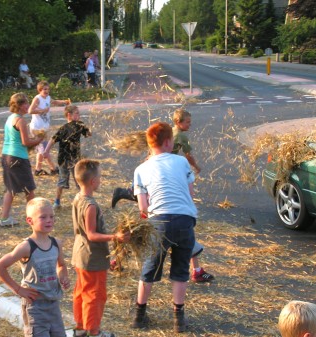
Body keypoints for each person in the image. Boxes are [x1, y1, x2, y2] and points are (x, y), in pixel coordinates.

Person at [131, 122, 197, 332]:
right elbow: (190, 193)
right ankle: (179, 319)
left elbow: (143, 206)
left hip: (159, 221)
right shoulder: (181, 161)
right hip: (185, 219)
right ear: (169, 142)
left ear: (149, 144)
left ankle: (139, 316)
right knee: (180, 269)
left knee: (149, 268)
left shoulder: (141, 169)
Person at [0, 197, 70, 337]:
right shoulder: (26, 247)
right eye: (43, 217)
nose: (49, 220)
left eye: (52, 216)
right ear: (30, 221)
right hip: (35, 306)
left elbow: (61, 265)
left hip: (53, 304)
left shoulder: (56, 243)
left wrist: (63, 276)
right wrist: (18, 289)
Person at [71, 159, 130, 337]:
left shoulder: (78, 197)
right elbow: (91, 235)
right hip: (92, 256)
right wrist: (115, 237)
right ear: (93, 182)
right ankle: (94, 332)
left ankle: (81, 328)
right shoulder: (90, 205)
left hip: (79, 252)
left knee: (81, 291)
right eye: (100, 177)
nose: (101, 180)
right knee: (94, 295)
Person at [110, 185, 214, 283]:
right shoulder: (154, 174)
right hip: (162, 212)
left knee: (136, 235)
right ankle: (197, 271)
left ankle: (116, 261)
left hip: (162, 210)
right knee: (135, 235)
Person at [0, 93, 44, 227]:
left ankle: (5, 218)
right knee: (29, 190)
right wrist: (39, 139)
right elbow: (25, 142)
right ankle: (35, 218)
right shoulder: (21, 121)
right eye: (25, 104)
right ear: (19, 105)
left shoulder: (10, 118)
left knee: (11, 189)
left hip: (6, 155)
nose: (28, 106)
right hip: (18, 157)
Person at [43, 105, 91, 209]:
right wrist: (46, 151)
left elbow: (88, 134)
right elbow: (53, 139)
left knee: (79, 179)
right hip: (65, 159)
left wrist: (87, 128)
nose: (79, 115)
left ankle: (83, 200)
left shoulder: (79, 125)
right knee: (64, 180)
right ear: (69, 115)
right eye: (77, 113)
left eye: (79, 113)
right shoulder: (64, 128)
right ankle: (57, 201)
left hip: (74, 159)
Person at [28, 80, 70, 176]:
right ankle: (53, 168)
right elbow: (30, 110)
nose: (47, 91)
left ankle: (38, 170)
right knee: (44, 149)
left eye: (48, 89)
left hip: (44, 128)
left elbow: (54, 102)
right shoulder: (37, 99)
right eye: (44, 89)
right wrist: (42, 111)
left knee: (41, 149)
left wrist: (64, 102)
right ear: (39, 90)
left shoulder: (47, 98)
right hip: (37, 128)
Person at [172, 108, 201, 173]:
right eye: (187, 122)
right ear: (178, 122)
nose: (190, 124)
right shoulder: (181, 136)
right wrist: (196, 167)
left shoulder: (170, 130)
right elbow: (188, 156)